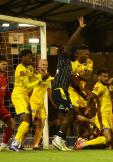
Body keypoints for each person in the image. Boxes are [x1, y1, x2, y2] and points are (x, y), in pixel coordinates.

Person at [51, 17, 86, 151]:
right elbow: (70, 42)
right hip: (59, 89)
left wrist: (82, 94)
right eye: (69, 49)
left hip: (61, 90)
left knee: (70, 115)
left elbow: (72, 81)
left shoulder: (68, 65)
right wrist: (80, 28)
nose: (73, 52)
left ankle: (61, 140)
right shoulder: (63, 56)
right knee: (71, 112)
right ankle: (58, 138)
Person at [9, 49, 44, 152]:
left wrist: (47, 77)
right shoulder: (20, 70)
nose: (30, 59)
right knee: (26, 120)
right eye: (29, 57)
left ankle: (18, 144)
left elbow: (37, 76)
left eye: (31, 57)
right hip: (18, 96)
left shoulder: (29, 68)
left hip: (25, 97)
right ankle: (14, 143)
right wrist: (40, 80)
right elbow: (27, 85)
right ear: (22, 57)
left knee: (29, 122)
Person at [75, 69, 113, 149]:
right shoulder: (99, 86)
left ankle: (85, 142)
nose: (106, 78)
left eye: (107, 76)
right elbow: (91, 96)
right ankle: (83, 144)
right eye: (104, 76)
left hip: (108, 116)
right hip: (102, 116)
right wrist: (88, 106)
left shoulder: (104, 86)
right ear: (99, 77)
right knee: (108, 139)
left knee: (110, 140)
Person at [30, 59, 54, 149]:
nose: (45, 66)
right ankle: (18, 142)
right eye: (43, 64)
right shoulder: (35, 74)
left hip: (41, 104)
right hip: (33, 102)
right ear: (38, 65)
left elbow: (49, 91)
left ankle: (35, 144)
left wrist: (54, 103)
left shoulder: (49, 77)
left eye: (46, 65)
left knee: (42, 124)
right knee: (28, 123)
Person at [69, 44, 93, 113]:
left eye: (88, 55)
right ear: (79, 54)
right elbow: (75, 83)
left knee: (86, 112)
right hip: (72, 90)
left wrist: (77, 75)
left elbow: (87, 77)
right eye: (86, 54)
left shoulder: (89, 62)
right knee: (76, 111)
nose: (88, 57)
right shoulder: (72, 65)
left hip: (81, 90)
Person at [0, 56, 15, 151]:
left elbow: (6, 93)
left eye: (6, 64)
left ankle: (4, 145)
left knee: (11, 123)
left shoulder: (4, 77)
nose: (5, 66)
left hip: (1, 106)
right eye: (2, 64)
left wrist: (13, 98)